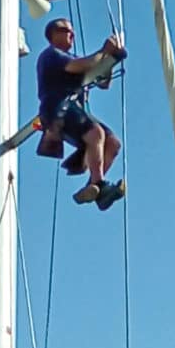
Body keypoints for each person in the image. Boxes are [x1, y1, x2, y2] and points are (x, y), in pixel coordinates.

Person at [36, 18, 126, 210]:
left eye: (72, 31)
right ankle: (99, 183)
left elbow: (103, 83)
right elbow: (80, 66)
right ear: (53, 34)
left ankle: (95, 189)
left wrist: (109, 62)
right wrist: (105, 52)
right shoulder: (51, 55)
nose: (72, 34)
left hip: (74, 108)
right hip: (57, 107)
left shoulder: (71, 57)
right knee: (96, 133)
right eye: (66, 30)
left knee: (113, 143)